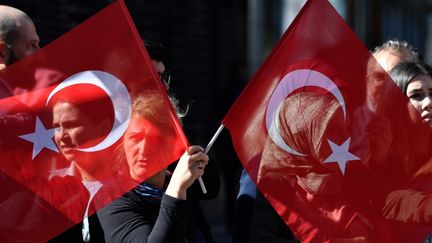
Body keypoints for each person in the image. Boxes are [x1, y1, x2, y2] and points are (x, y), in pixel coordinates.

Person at [97, 92, 215, 243]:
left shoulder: (176, 182)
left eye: (156, 139)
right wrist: (176, 190)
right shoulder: (110, 196)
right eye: (135, 137)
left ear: (174, 145)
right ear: (122, 144)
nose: (144, 148)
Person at [380, 61, 432, 242]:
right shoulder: (379, 154)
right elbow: (387, 200)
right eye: (417, 95)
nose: (428, 102)